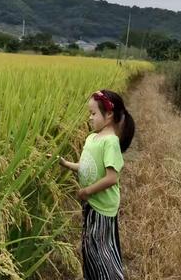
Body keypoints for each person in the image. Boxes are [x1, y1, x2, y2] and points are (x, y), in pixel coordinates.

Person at [54, 89, 135, 280]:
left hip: (102, 207)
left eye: (93, 114)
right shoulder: (92, 138)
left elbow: (111, 178)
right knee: (89, 246)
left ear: (108, 115)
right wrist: (66, 164)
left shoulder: (110, 142)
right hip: (91, 204)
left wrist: (86, 191)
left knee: (101, 250)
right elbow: (86, 166)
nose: (89, 118)